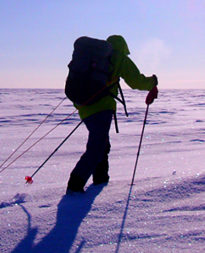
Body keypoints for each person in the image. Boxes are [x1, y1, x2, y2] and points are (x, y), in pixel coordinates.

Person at [67, 35, 158, 194]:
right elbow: (136, 81)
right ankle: (75, 184)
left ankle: (101, 179)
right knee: (97, 146)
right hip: (102, 108)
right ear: (123, 47)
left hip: (84, 107)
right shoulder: (118, 58)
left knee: (102, 144)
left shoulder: (95, 59)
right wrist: (153, 82)